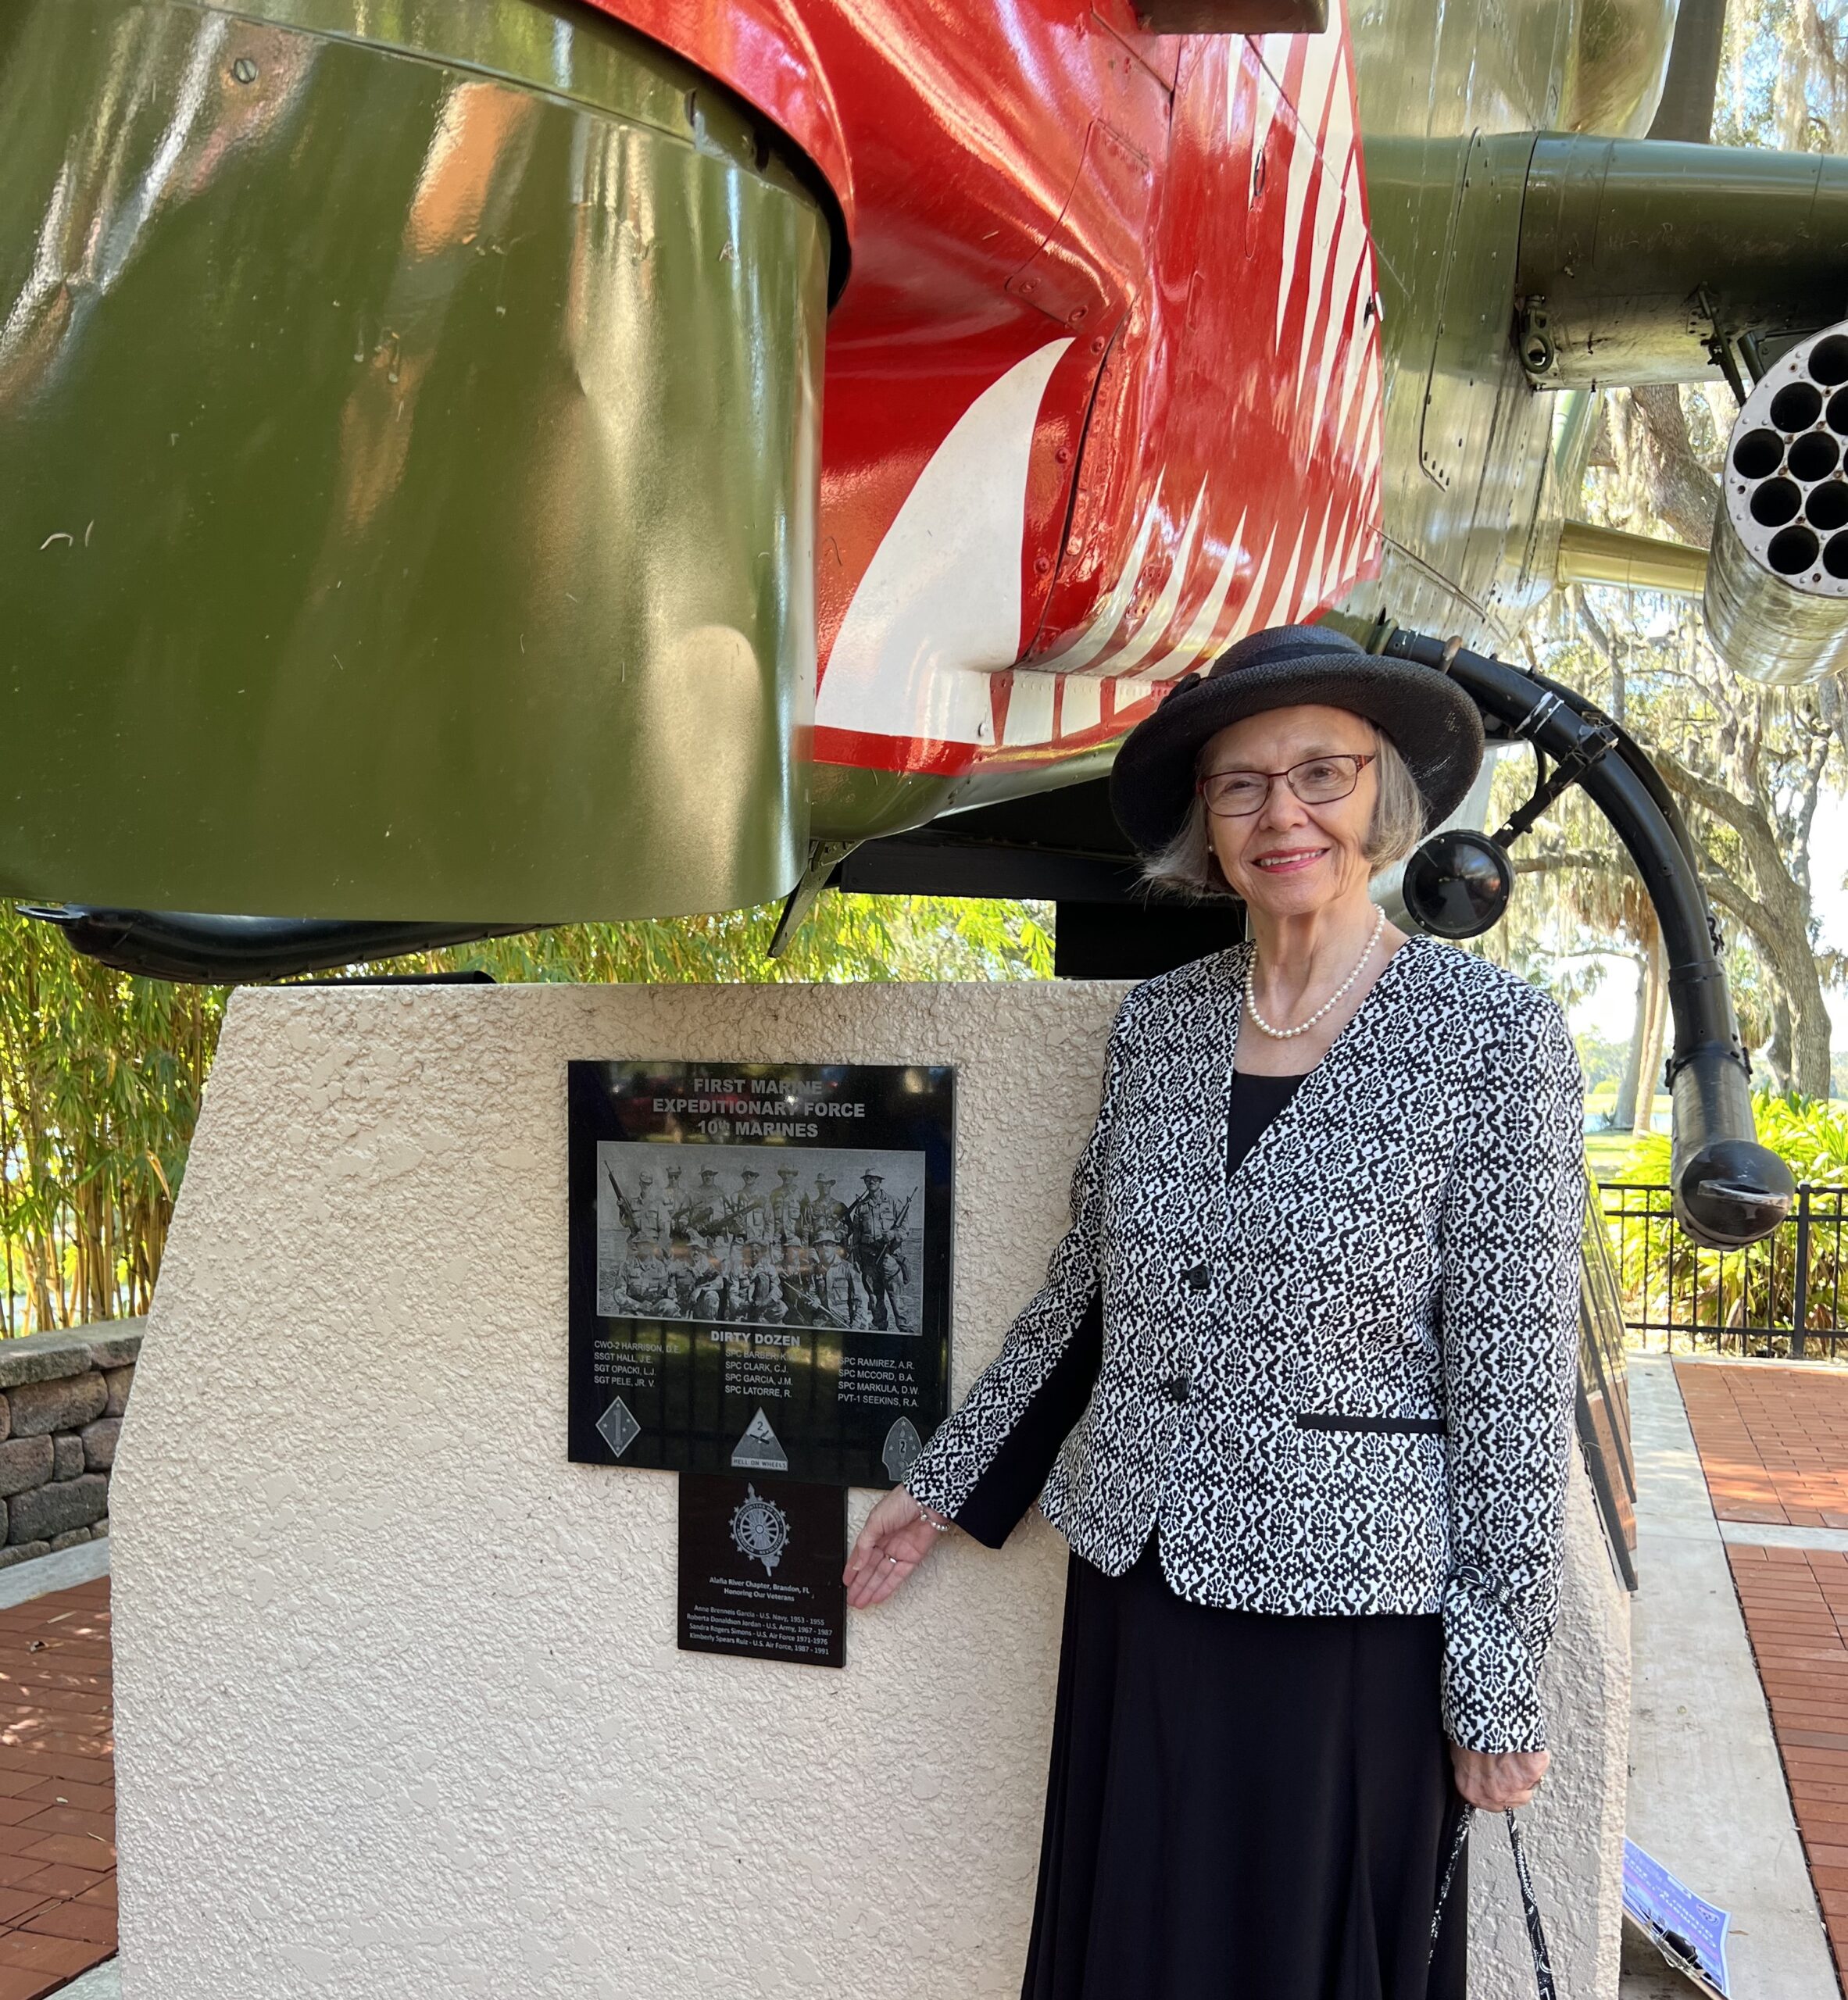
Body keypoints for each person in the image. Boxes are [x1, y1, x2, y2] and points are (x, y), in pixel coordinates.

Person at [843, 624, 1585, 2000]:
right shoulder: (1160, 1024)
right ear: (1206, 825)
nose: (1280, 814)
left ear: (1382, 797)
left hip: (1349, 1618)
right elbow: (1088, 1291)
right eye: (1240, 787)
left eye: (1320, 773)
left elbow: (1511, 1381)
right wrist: (940, 1485)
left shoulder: (1491, 1036)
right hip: (1138, 1584)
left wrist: (1495, 1679)